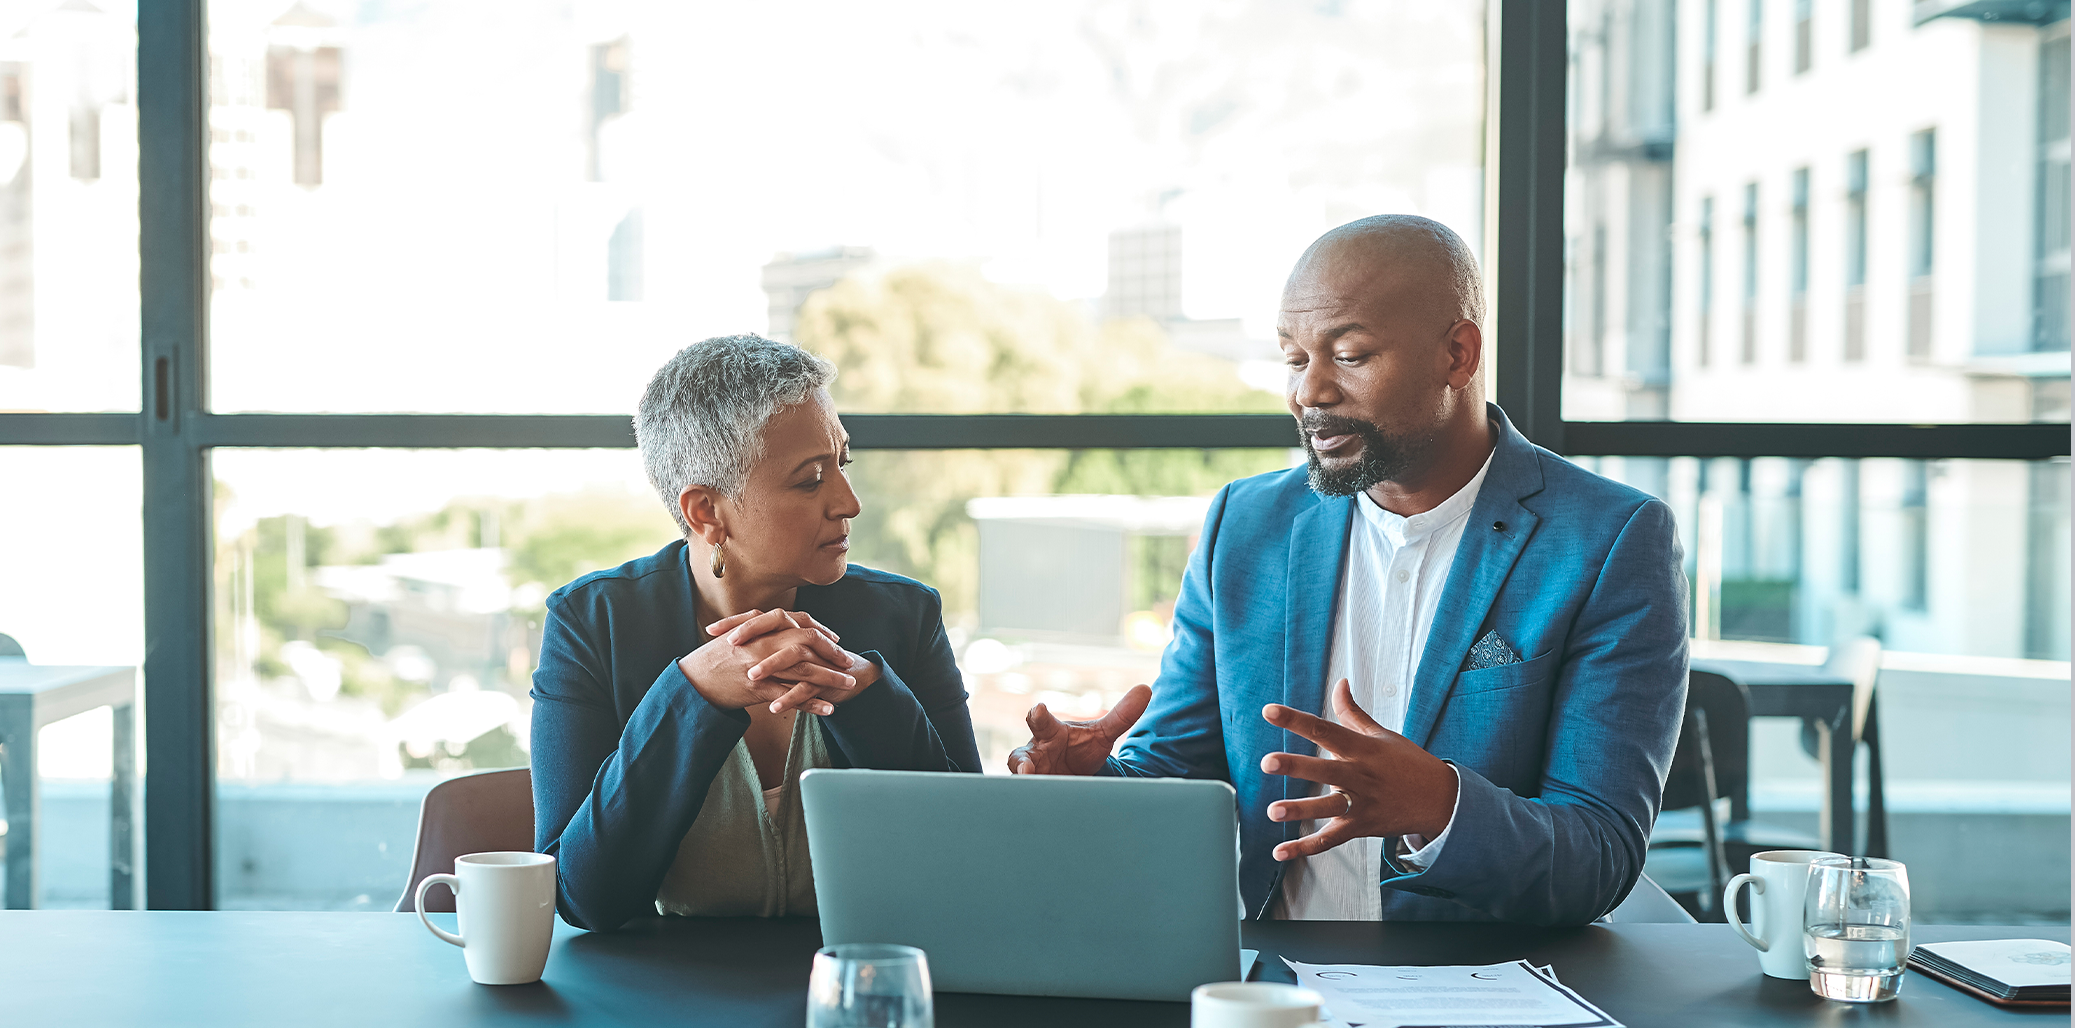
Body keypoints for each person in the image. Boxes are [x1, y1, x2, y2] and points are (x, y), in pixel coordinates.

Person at [1008, 215, 1687, 926]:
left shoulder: (1610, 540)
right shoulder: (1244, 526)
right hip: (1272, 981)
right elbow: (1177, 775)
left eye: (1351, 355)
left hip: (1483, 986)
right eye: (1295, 359)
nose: (1310, 393)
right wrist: (1091, 788)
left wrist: (1440, 806)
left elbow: (1602, 853)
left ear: (1457, 355)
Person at [532, 333, 981, 931]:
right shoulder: (592, 623)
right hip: (663, 995)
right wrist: (692, 695)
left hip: (860, 979)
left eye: (841, 466)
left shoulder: (906, 615)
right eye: (809, 480)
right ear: (706, 513)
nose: (848, 503)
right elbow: (583, 897)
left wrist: (871, 694)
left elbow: (967, 852)